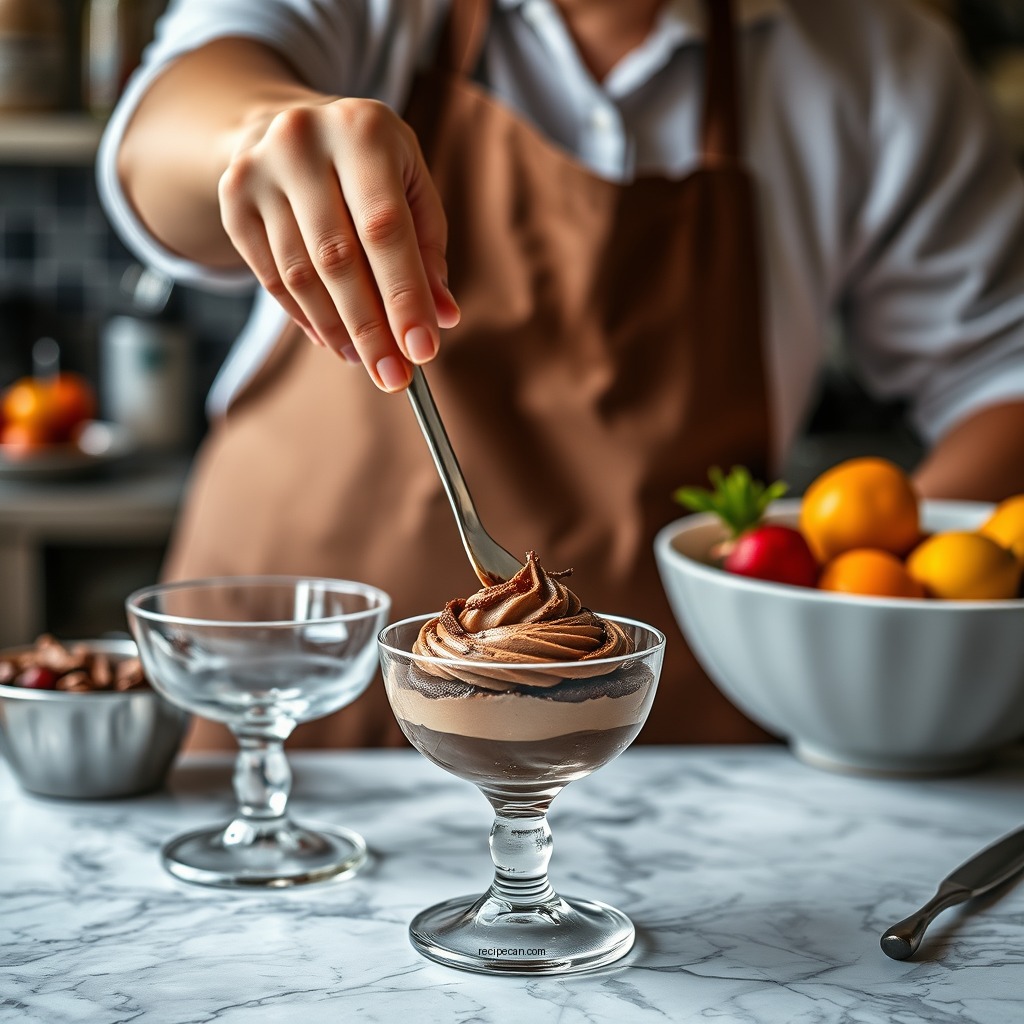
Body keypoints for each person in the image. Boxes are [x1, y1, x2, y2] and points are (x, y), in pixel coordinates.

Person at [99, 0, 1024, 749]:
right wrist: (255, 135)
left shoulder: (879, 55)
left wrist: (881, 617)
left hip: (650, 743)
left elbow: (1001, 370)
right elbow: (159, 139)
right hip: (283, 692)